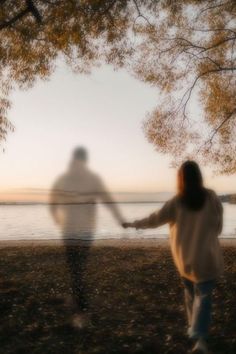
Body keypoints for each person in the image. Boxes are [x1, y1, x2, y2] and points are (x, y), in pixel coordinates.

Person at [123, 161, 223, 354]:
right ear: (199, 177)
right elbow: (218, 225)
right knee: (203, 298)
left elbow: (154, 220)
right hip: (208, 259)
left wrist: (133, 224)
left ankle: (195, 332)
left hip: (186, 260)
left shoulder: (177, 202)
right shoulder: (211, 197)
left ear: (181, 179)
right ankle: (200, 340)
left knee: (190, 296)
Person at [50, 147, 125, 328]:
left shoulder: (84, 179)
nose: (79, 164)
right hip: (71, 231)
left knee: (77, 269)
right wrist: (58, 218)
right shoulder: (69, 179)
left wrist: (119, 218)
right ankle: (79, 305)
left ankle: (81, 309)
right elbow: (53, 201)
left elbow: (107, 199)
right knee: (76, 269)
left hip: (82, 231)